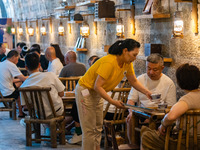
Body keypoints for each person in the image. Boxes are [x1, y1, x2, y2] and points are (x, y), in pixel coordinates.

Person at [75, 39, 152, 150]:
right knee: (89, 130)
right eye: (134, 55)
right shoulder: (110, 62)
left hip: (97, 92)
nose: (135, 58)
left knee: (97, 127)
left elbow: (133, 81)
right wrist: (113, 102)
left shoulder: (127, 63)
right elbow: (97, 86)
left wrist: (146, 92)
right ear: (125, 51)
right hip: (85, 91)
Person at [141, 63, 200, 150]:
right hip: (196, 140)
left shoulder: (187, 99)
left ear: (180, 81)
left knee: (146, 135)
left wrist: (163, 125)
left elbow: (171, 116)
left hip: (185, 141)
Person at [126, 53, 177, 143]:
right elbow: (131, 100)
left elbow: (171, 106)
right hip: (142, 113)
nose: (151, 72)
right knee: (130, 118)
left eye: (155, 69)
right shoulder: (140, 79)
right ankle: (133, 145)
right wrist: (131, 112)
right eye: (148, 68)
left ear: (162, 68)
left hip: (160, 116)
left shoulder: (168, 83)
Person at [20, 52, 65, 118]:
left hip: (39, 114)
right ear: (39, 65)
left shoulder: (23, 86)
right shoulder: (51, 75)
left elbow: (26, 106)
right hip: (56, 111)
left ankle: (47, 127)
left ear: (26, 67)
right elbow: (61, 93)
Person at [59, 50, 86, 144]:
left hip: (69, 98)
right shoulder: (83, 67)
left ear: (66, 59)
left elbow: (60, 84)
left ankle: (63, 129)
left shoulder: (65, 69)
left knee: (72, 111)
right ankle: (73, 128)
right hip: (83, 97)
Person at [0, 50, 27, 117]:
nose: (17, 61)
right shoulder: (11, 65)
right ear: (13, 57)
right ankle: (21, 113)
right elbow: (23, 78)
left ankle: (22, 108)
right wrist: (32, 77)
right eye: (17, 59)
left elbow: (11, 80)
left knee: (19, 83)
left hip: (1, 91)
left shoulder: (2, 63)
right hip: (7, 92)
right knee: (20, 94)